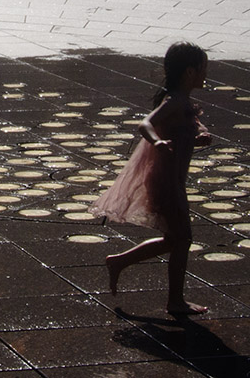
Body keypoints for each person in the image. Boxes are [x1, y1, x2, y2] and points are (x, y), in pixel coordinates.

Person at [90, 42, 212, 316]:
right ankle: (175, 301)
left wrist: (197, 137)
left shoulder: (182, 101)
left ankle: (120, 261)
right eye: (204, 69)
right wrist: (156, 142)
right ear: (190, 72)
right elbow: (145, 124)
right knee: (183, 239)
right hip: (166, 182)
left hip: (172, 180)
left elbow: (182, 131)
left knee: (174, 239)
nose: (207, 75)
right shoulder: (174, 101)